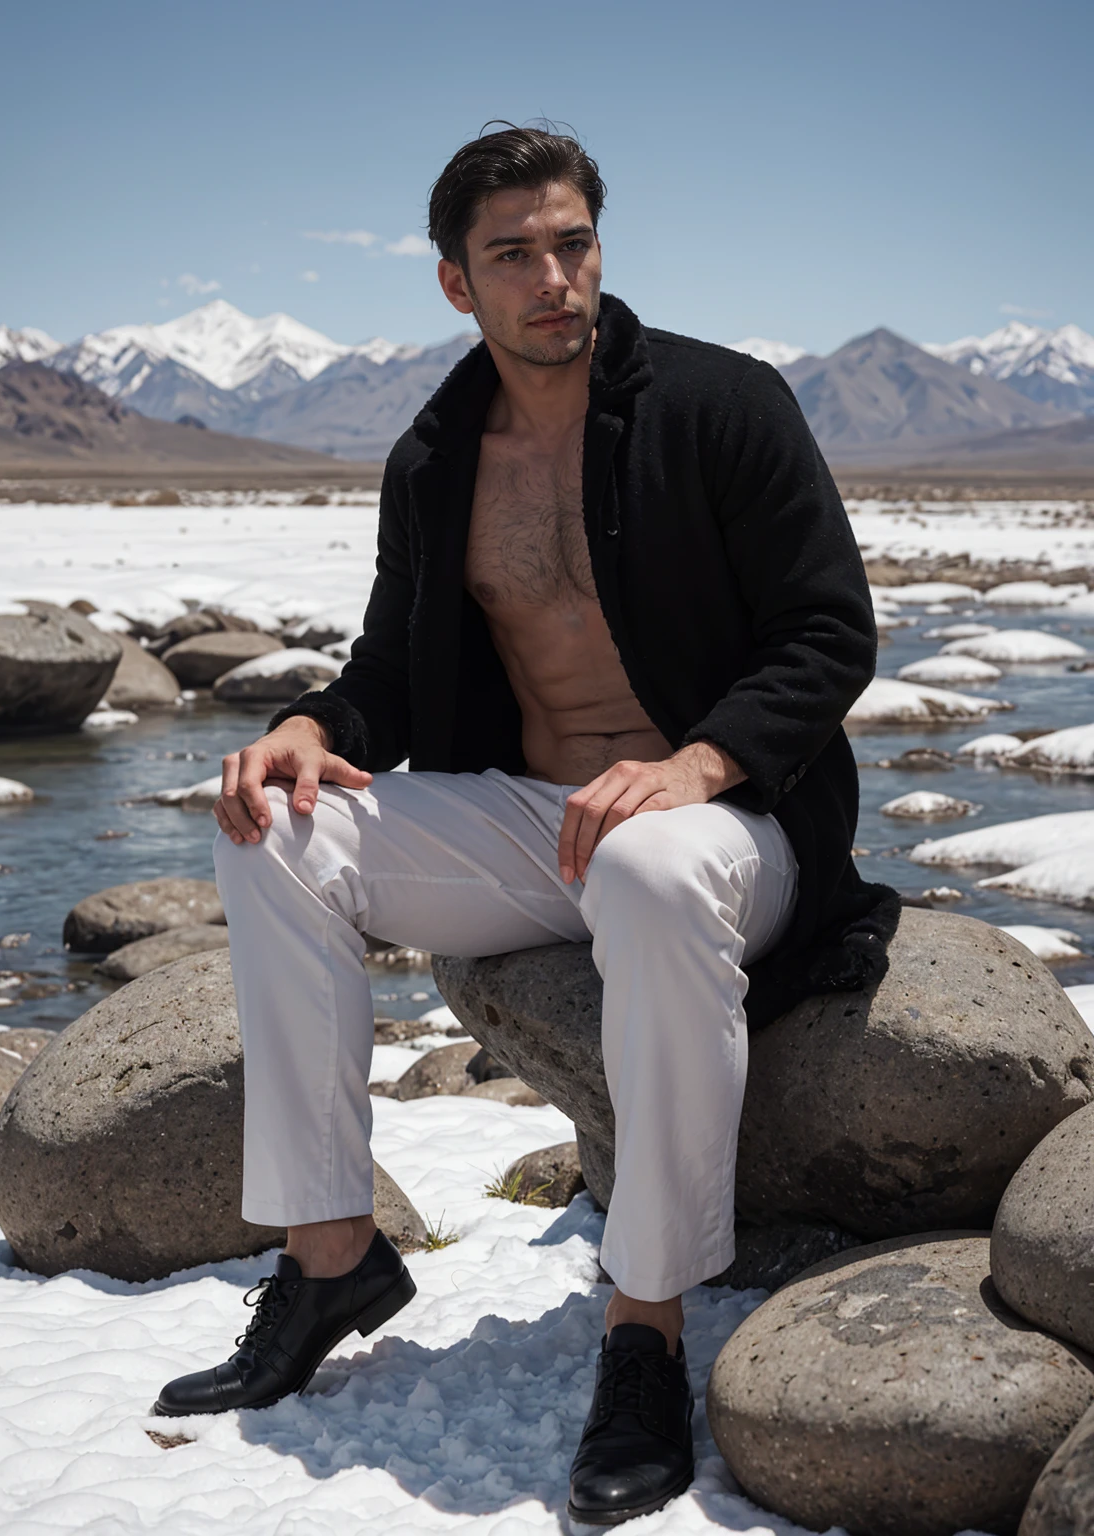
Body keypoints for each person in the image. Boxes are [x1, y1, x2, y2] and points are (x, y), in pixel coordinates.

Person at [154, 124, 891, 1525]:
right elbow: (389, 669)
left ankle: (645, 1328)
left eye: (573, 243)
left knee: (657, 867)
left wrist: (697, 763)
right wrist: (315, 729)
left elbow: (828, 631)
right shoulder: (436, 456)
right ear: (456, 285)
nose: (554, 277)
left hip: (730, 835)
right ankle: (329, 1256)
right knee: (280, 830)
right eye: (515, 255)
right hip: (545, 828)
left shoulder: (725, 407)